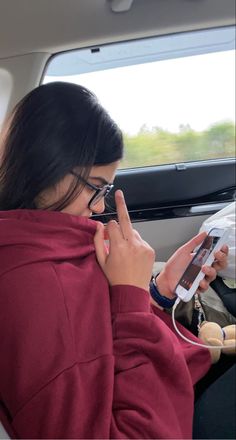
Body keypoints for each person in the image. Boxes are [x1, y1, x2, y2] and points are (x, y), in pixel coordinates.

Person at [0, 82, 229, 439]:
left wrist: (158, 292)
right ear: (46, 166)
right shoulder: (37, 286)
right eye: (95, 187)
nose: (98, 208)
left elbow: (100, 336)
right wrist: (129, 296)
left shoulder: (41, 245)